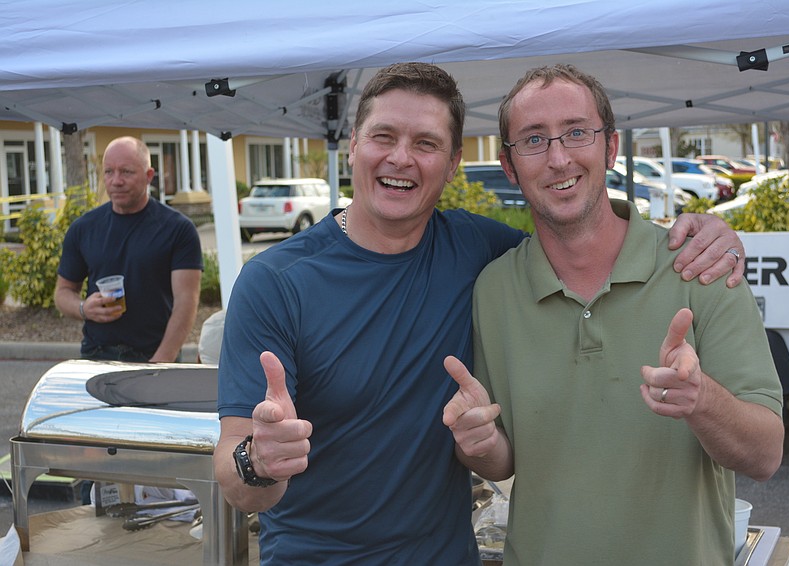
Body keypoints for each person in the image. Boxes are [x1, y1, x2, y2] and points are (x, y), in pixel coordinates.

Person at [213, 62, 746, 565]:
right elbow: (235, 482)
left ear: (452, 165)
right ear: (353, 145)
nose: (401, 158)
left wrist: (705, 234)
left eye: (426, 144)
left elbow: (582, 240)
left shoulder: (478, 251)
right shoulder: (276, 283)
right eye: (383, 137)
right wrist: (257, 461)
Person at [443, 64, 784, 565]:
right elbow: (506, 457)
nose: (558, 158)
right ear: (510, 166)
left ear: (611, 147)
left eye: (576, 132)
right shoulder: (493, 290)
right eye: (534, 140)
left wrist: (701, 400)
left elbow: (766, 456)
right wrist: (475, 441)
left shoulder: (699, 267)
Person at [54, 136, 203, 363]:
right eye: (108, 172)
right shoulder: (83, 228)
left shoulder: (178, 229)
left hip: (154, 353)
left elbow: (186, 301)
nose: (116, 181)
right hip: (97, 355)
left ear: (148, 176)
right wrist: (84, 308)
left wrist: (162, 360)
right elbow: (63, 292)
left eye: (126, 172)